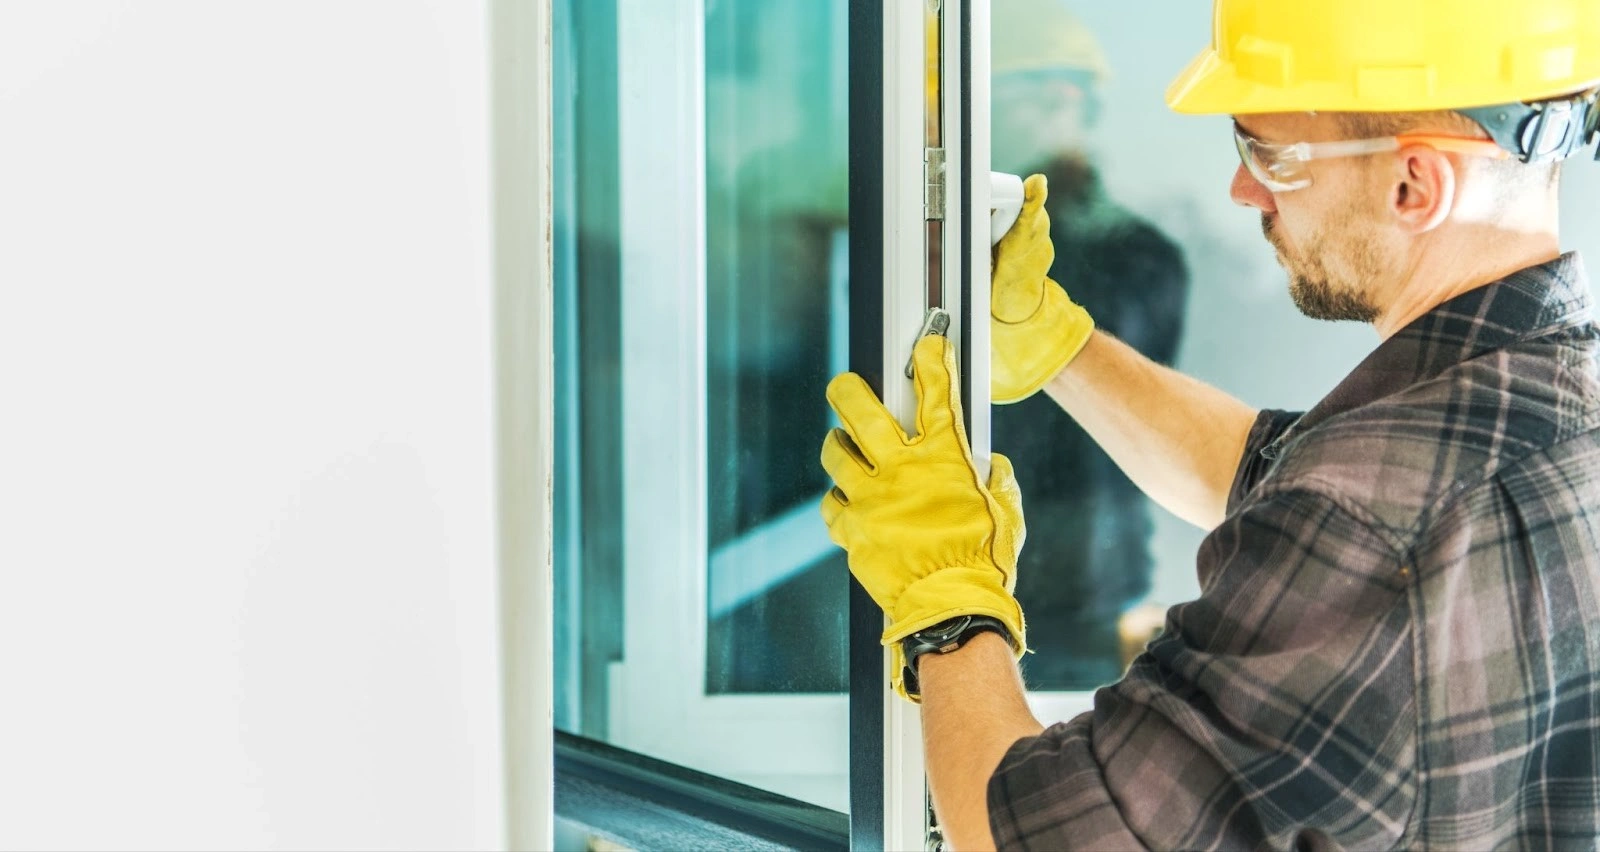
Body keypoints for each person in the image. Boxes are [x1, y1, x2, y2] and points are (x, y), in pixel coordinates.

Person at [819, 0, 1600, 847]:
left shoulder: (1373, 522)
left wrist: (946, 600)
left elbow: (1032, 839)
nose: (1243, 187)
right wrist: (1058, 347)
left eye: (1268, 152)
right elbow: (1275, 472)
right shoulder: (1545, 400)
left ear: (1414, 184)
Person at [988, 0, 1191, 689]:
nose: (1057, 116)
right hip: (988, 564)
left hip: (1076, 587)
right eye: (1038, 95)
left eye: (1068, 98)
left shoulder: (1135, 255)